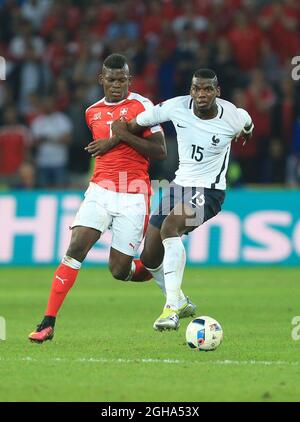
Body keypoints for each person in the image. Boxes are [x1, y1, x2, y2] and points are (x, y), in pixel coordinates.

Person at [28, 53, 167, 343]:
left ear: (130, 80)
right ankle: (48, 322)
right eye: (112, 79)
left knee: (119, 270)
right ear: (101, 79)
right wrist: (114, 140)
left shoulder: (143, 106)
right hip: (100, 190)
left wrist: (122, 136)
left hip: (133, 193)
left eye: (122, 79)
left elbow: (160, 152)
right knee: (76, 246)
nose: (117, 84)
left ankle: (158, 270)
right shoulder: (91, 111)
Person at [112, 68, 254, 331]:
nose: (202, 94)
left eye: (208, 89)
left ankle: (171, 308)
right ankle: (180, 300)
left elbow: (247, 123)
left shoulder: (232, 115)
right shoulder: (176, 107)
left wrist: (247, 131)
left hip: (209, 191)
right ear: (191, 90)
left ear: (217, 92)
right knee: (151, 257)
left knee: (170, 227)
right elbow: (139, 122)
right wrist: (123, 132)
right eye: (197, 89)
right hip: (178, 187)